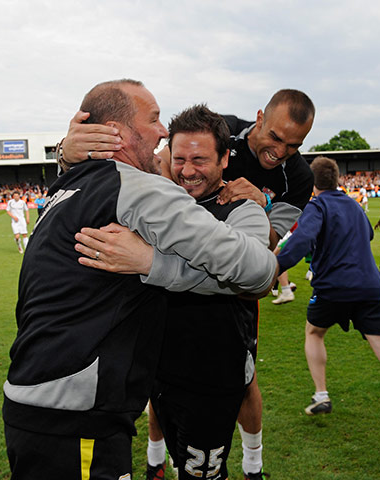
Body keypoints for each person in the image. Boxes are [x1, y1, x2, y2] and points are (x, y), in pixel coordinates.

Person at [2, 79, 277, 480]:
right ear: (116, 132)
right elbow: (260, 271)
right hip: (75, 411)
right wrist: (152, 262)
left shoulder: (68, 185)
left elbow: (258, 271)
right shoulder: (140, 190)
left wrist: (149, 261)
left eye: (200, 159)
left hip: (48, 402)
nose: (162, 133)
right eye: (154, 120)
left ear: (224, 162)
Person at [61, 88, 316, 479]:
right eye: (276, 139)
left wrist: (258, 209)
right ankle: (155, 459)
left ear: (224, 160)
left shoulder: (294, 179)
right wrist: (68, 153)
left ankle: (252, 464)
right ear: (260, 118)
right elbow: (143, 164)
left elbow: (259, 265)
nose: (280, 152)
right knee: (159, 394)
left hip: (219, 335)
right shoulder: (219, 130)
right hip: (160, 336)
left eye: (293, 146)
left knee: (243, 387)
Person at [276, 156, 380, 460]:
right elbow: (370, 235)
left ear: (313, 184)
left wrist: (273, 267)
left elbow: (300, 241)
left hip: (333, 288)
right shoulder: (354, 205)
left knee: (314, 332)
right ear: (337, 181)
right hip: (369, 288)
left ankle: (322, 394)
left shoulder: (317, 206)